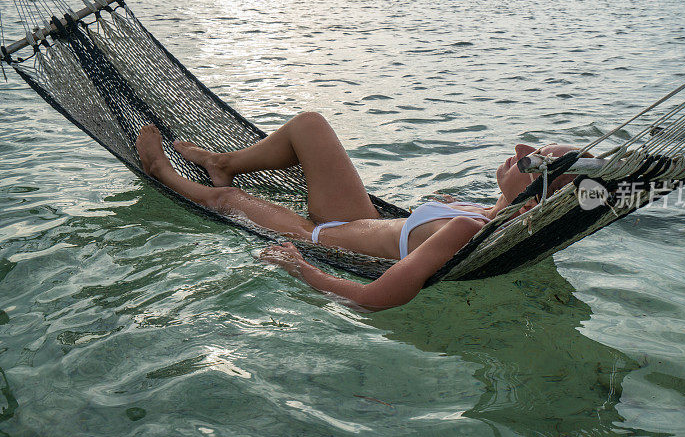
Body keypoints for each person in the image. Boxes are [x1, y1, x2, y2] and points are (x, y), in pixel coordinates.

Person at [135, 112, 582, 310]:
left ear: (539, 195)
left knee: (231, 202)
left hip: (322, 237)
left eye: (535, 159)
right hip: (356, 217)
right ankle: (222, 162)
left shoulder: (467, 229)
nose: (521, 148)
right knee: (309, 125)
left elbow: (374, 299)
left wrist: (301, 268)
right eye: (535, 145)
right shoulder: (490, 212)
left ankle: (162, 171)